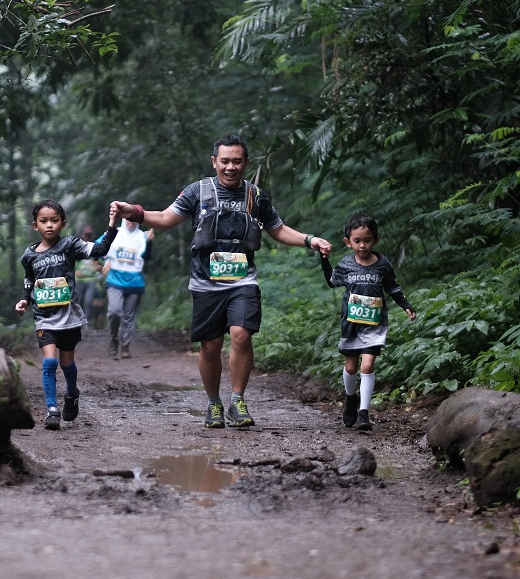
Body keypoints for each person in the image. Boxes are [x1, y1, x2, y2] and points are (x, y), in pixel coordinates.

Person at [113, 134, 332, 429]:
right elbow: (165, 218)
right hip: (206, 282)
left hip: (243, 280)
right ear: (214, 161)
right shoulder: (198, 191)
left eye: (237, 161)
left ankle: (237, 400)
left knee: (241, 334)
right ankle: (214, 404)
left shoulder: (255, 196)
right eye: (225, 161)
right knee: (211, 346)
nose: (230, 167)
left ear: (246, 163)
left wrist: (309, 240)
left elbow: (278, 230)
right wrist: (135, 212)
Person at [16, 200, 119, 430]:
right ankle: (52, 409)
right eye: (44, 221)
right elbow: (29, 280)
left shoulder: (70, 245)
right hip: (43, 316)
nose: (49, 225)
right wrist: (24, 298)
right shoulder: (29, 255)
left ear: (63, 223)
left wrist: (112, 223)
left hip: (69, 316)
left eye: (54, 220)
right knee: (50, 361)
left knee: (67, 363)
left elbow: (99, 249)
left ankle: (72, 392)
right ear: (35, 225)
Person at [320, 214, 416, 432]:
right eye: (357, 241)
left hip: (374, 323)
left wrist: (406, 305)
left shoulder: (382, 264)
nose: (362, 245)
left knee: (368, 364)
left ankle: (364, 413)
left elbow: (393, 288)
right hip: (351, 322)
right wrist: (324, 260)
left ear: (375, 240)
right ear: (348, 242)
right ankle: (350, 398)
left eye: (367, 240)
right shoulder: (345, 264)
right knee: (351, 366)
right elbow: (332, 281)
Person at [102, 219, 154, 359]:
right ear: (124, 220)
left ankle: (125, 346)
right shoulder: (115, 233)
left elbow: (146, 256)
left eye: (134, 219)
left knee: (129, 317)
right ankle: (114, 339)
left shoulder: (143, 236)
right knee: (115, 311)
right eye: (128, 219)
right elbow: (99, 247)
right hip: (114, 280)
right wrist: (105, 259)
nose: (131, 222)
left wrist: (149, 242)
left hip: (135, 282)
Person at [74, 224, 102, 327]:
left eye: (89, 235)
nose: (87, 237)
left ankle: (87, 322)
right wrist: (75, 271)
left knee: (89, 301)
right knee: (79, 300)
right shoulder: (78, 247)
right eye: (86, 235)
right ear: (82, 235)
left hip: (91, 279)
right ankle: (78, 322)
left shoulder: (95, 247)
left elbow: (99, 262)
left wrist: (99, 266)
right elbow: (71, 262)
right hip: (80, 279)